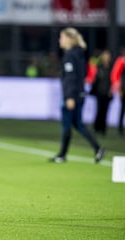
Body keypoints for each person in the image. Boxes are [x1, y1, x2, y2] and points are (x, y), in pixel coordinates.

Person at [50, 27, 105, 163]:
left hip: (72, 95)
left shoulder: (70, 55)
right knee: (78, 124)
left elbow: (70, 78)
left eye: (62, 37)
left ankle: (62, 155)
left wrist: (69, 96)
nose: (60, 40)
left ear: (69, 39)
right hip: (79, 93)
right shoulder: (80, 54)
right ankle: (97, 149)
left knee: (68, 124)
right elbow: (83, 75)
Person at [90, 50, 113, 136]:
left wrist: (112, 89)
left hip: (108, 93)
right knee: (99, 110)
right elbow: (96, 79)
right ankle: (97, 128)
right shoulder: (99, 67)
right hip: (100, 92)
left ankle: (103, 129)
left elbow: (114, 80)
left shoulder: (112, 68)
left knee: (105, 111)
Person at [110, 48, 125, 136]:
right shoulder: (121, 61)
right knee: (122, 109)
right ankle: (120, 129)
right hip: (123, 90)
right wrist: (119, 89)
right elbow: (115, 75)